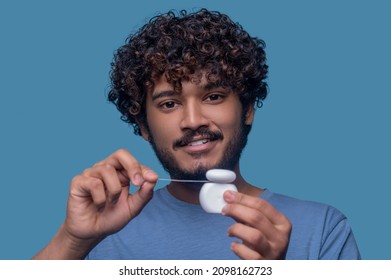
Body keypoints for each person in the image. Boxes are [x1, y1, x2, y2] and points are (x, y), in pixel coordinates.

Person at [33, 9, 360, 260]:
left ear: (247, 109)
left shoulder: (322, 230)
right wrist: (73, 240)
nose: (192, 120)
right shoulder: (102, 231)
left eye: (213, 96)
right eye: (169, 103)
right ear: (143, 126)